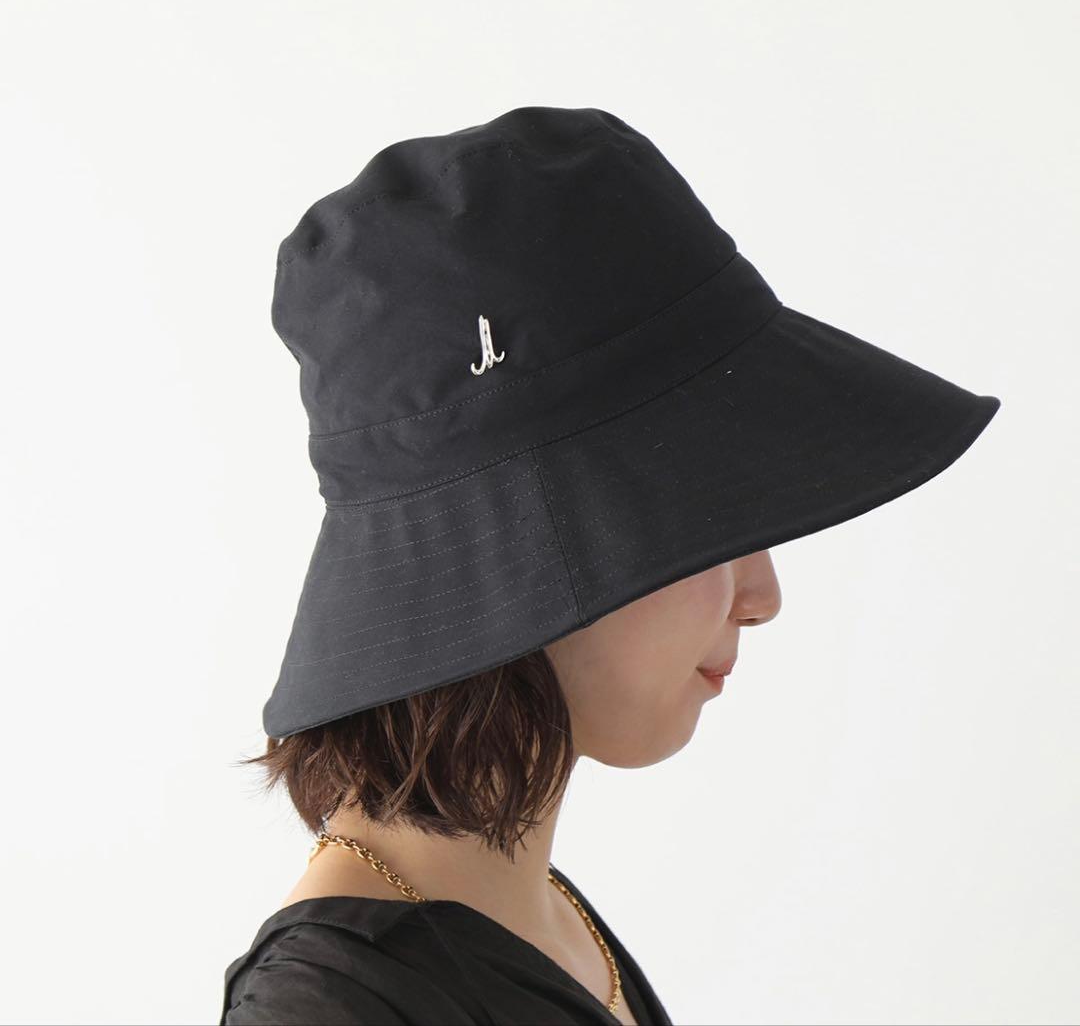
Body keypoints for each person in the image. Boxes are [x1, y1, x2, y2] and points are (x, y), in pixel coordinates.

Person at [219, 105, 1000, 1024]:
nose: (763, 596)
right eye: (712, 520)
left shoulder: (533, 918)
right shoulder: (333, 1008)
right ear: (523, 549)